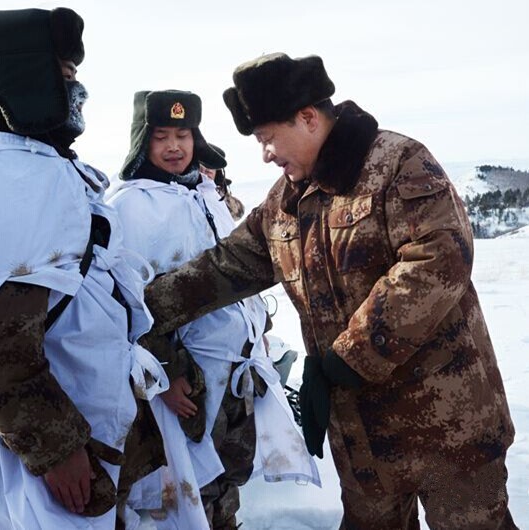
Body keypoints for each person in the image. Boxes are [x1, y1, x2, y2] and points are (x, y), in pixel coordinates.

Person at [141, 53, 518, 529]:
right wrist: (139, 309)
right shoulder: (285, 202)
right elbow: (226, 267)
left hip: (449, 426)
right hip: (364, 440)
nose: (266, 154)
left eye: (268, 138)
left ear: (308, 118)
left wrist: (348, 358)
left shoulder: (397, 164)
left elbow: (439, 259)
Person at [0, 8, 169, 529]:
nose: (78, 91)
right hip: (42, 463)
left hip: (88, 433)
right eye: (65, 74)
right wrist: (56, 449)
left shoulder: (40, 168)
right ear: (26, 77)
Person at [107, 90, 320, 530]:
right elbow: (124, 301)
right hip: (186, 382)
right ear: (141, 141)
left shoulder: (207, 196)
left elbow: (234, 272)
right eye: (161, 136)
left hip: (234, 375)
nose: (174, 147)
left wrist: (258, 331)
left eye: (183, 135)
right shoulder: (128, 206)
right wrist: (165, 374)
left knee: (227, 480)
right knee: (185, 489)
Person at [199, 144, 246, 221]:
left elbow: (238, 212)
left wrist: (215, 194)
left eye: (208, 172)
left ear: (216, 174)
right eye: (199, 170)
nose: (203, 175)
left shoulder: (219, 194)